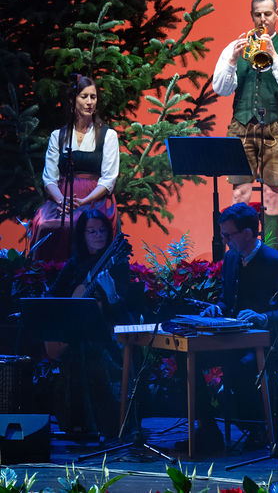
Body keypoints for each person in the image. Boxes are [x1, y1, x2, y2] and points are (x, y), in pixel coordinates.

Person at [188, 202, 278, 454]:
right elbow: (226, 300)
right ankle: (207, 429)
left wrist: (263, 317)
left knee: (241, 366)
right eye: (223, 235)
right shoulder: (230, 258)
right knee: (189, 359)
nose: (225, 241)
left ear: (248, 233)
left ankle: (257, 429)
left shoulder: (276, 262)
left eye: (229, 235)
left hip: (268, 341)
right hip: (233, 339)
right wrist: (217, 309)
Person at [212, 0, 278, 250]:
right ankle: (238, 254)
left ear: (277, 14)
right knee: (239, 193)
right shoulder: (236, 46)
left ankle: (270, 257)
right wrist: (232, 60)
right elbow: (220, 88)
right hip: (241, 125)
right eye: (257, 14)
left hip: (275, 126)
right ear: (251, 15)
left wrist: (274, 56)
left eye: (267, 14)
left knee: (271, 194)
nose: (262, 19)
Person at [46, 210, 145, 437]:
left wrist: (111, 295)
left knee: (89, 351)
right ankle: (76, 423)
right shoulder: (75, 264)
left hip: (109, 334)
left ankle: (104, 424)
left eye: (102, 230)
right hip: (79, 334)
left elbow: (122, 312)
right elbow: (53, 295)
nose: (98, 235)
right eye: (91, 231)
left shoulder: (117, 265)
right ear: (82, 235)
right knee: (78, 348)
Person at [30, 75, 119, 261]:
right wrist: (62, 201)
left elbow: (108, 179)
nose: (89, 102)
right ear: (73, 100)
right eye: (84, 96)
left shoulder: (107, 135)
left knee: (83, 223)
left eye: (93, 97)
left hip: (94, 198)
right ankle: (47, 273)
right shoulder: (58, 136)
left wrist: (84, 201)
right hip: (62, 198)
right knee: (45, 223)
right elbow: (49, 178)